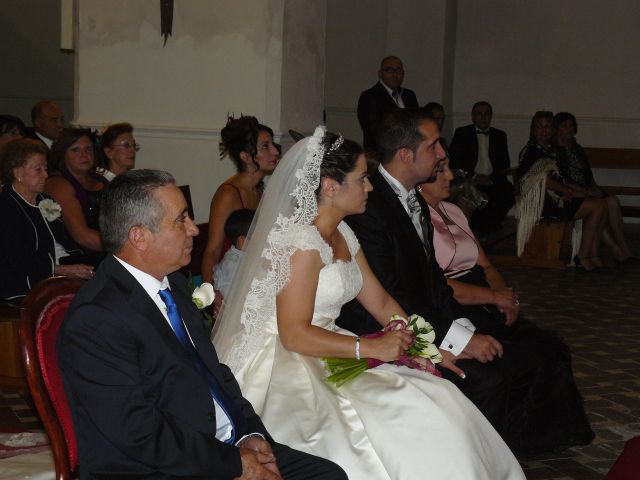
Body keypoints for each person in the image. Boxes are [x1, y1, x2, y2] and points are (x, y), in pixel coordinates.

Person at [212, 126, 525, 479]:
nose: (370, 187)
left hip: (334, 346)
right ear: (330, 187)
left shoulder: (344, 231)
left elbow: (380, 300)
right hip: (289, 359)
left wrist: (428, 349)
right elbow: (294, 335)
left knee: (438, 397)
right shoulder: (301, 243)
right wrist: (370, 347)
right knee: (374, 428)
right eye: (362, 179)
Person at [57, 169, 346, 480]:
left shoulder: (176, 285)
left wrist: (251, 435)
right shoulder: (97, 318)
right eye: (181, 220)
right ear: (139, 236)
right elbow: (137, 433)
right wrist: (235, 464)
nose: (194, 229)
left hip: (218, 445)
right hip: (159, 467)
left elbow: (215, 373)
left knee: (327, 474)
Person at [338, 109, 594, 454]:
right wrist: (456, 341)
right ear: (405, 155)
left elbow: (435, 285)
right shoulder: (370, 207)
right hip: (384, 330)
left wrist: (465, 332)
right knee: (489, 379)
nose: (442, 153)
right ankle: (470, 460)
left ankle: (509, 450)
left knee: (522, 355)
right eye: (433, 146)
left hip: (422, 319)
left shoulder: (412, 196)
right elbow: (391, 297)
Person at [419, 157, 594, 451]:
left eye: (449, 168)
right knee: (509, 361)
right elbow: (437, 286)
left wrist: (505, 294)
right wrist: (492, 297)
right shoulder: (417, 220)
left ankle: (541, 434)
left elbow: (486, 265)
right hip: (457, 302)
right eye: (440, 172)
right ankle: (502, 441)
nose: (450, 176)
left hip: (483, 295)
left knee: (549, 348)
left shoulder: (453, 211)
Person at [201, 116, 279, 312]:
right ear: (245, 156)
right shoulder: (228, 194)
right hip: (232, 284)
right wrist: (211, 293)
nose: (275, 151)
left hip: (255, 279)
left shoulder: (261, 190)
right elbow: (213, 250)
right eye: (265, 147)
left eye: (272, 145)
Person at [0, 139, 94, 300]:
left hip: (54, 281)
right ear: (18, 173)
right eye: (38, 169)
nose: (46, 175)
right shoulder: (6, 207)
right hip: (21, 290)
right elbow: (16, 260)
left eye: (45, 168)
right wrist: (64, 270)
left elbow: (65, 241)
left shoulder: (45, 200)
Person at [517, 111, 606, 271]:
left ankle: (591, 253)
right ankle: (583, 255)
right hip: (542, 202)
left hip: (556, 197)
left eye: (547, 127)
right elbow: (542, 181)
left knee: (601, 203)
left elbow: (562, 178)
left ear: (552, 130)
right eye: (539, 127)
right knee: (596, 207)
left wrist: (582, 190)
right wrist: (570, 191)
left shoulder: (551, 150)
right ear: (533, 130)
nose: (543, 131)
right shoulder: (531, 151)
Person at [554, 112, 636, 264]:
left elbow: (587, 172)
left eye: (571, 125)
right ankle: (615, 250)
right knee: (601, 205)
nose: (569, 129)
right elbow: (562, 179)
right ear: (557, 129)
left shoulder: (576, 148)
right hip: (574, 192)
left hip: (586, 188)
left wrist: (594, 186)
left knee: (612, 201)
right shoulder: (555, 151)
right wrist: (586, 191)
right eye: (564, 126)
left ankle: (623, 247)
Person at [449, 101, 515, 235]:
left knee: (509, 193)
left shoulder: (499, 135)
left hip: (492, 178)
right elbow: (455, 160)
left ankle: (488, 226)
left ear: (491, 117)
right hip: (470, 179)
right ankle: (478, 228)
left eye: (486, 114)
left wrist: (490, 178)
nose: (483, 117)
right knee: (470, 195)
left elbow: (504, 163)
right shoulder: (462, 133)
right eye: (479, 114)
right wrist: (473, 176)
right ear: (473, 117)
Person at [44, 128, 106, 252]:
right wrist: (125, 249)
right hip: (79, 255)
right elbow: (82, 236)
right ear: (63, 154)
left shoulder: (100, 179)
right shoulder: (58, 184)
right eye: (75, 150)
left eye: (88, 149)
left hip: (108, 246)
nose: (84, 154)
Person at [357, 56, 419, 150]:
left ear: (403, 73)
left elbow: (417, 124)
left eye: (398, 70)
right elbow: (375, 131)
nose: (394, 74)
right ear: (380, 73)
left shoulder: (409, 95)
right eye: (389, 70)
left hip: (408, 152)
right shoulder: (369, 96)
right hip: (381, 155)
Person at [213, 208, 255, 299]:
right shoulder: (232, 262)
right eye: (257, 236)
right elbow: (227, 291)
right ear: (242, 242)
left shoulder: (244, 255)